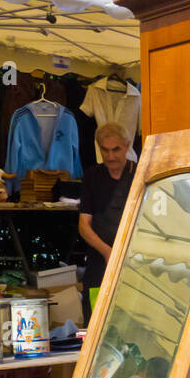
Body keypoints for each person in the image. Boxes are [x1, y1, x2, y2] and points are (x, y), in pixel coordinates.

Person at [77, 122, 136, 323]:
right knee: (95, 320)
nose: (110, 156)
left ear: (127, 146)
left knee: (129, 321)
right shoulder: (92, 176)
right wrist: (107, 251)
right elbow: (84, 225)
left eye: (116, 149)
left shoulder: (140, 174)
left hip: (133, 259)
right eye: (105, 150)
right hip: (99, 260)